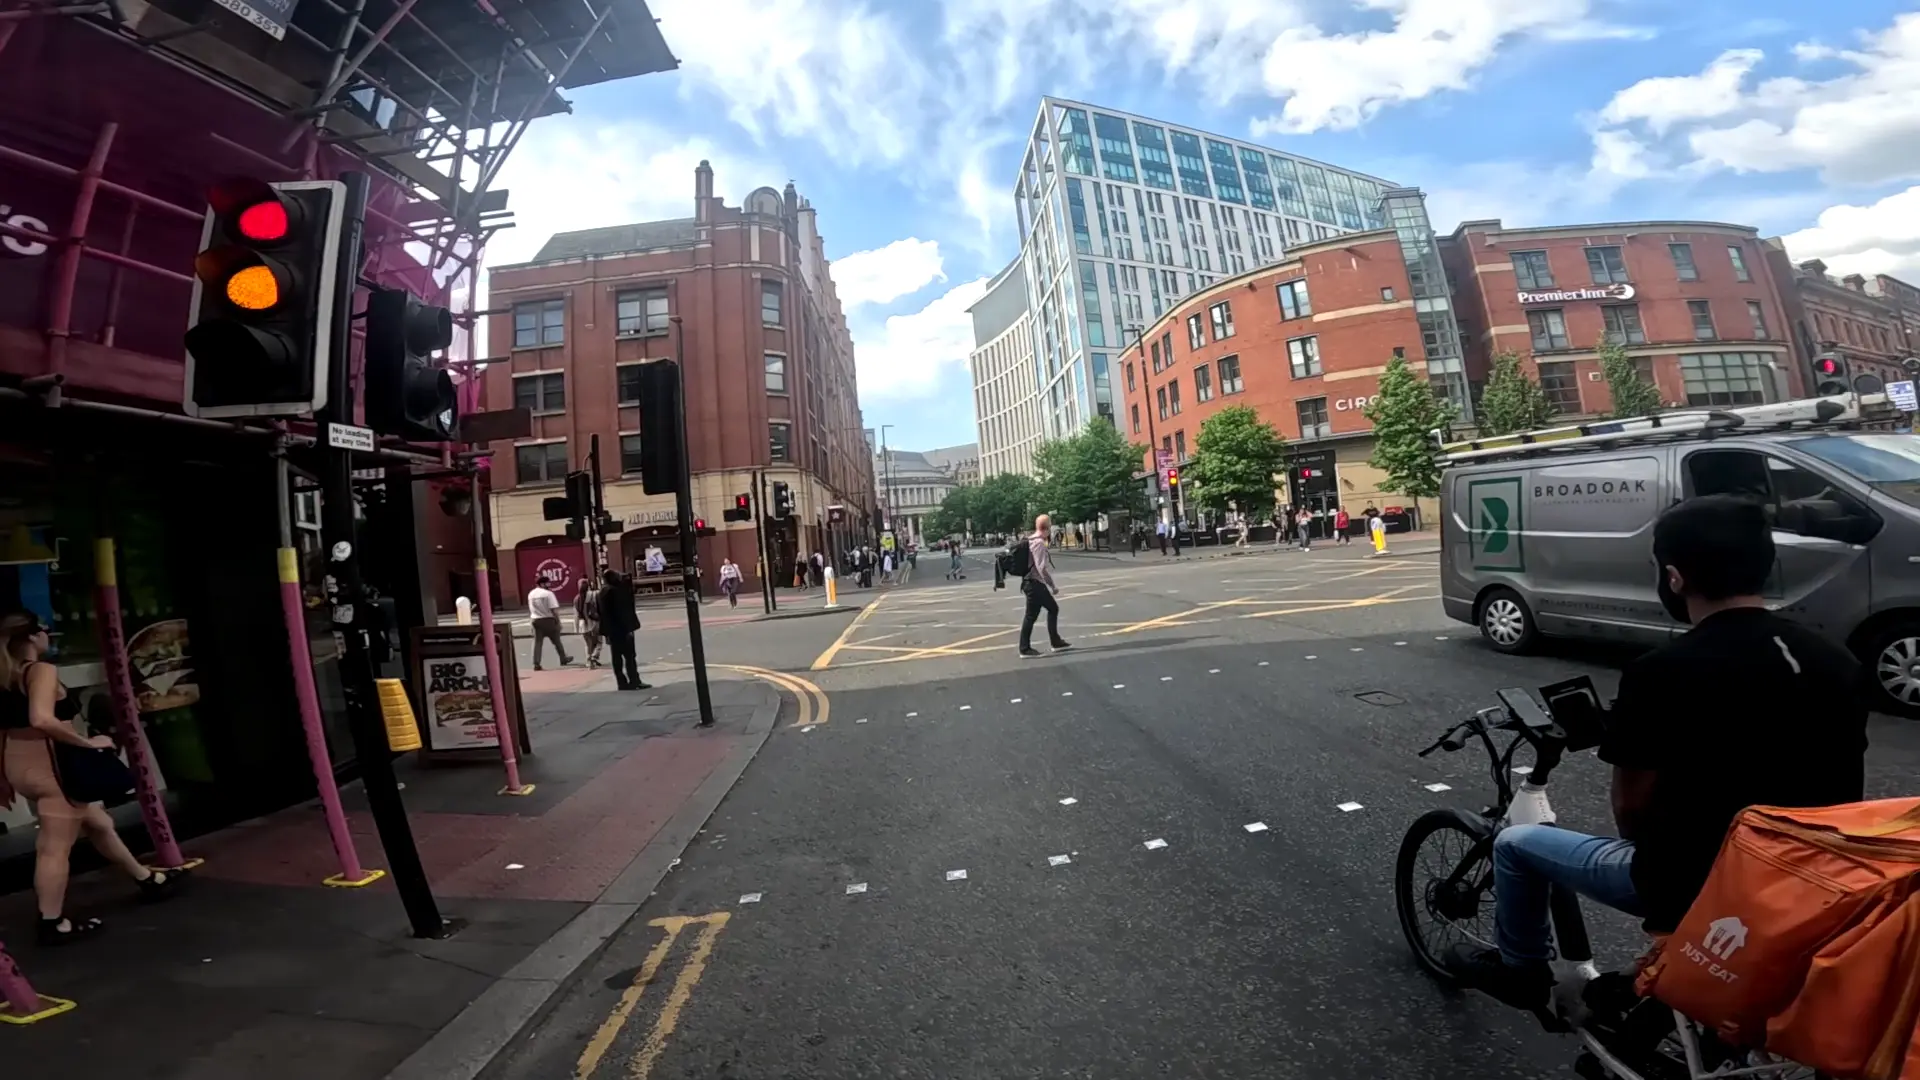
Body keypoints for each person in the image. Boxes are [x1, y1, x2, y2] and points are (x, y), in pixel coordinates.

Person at [1442, 495, 1869, 1011]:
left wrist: (1655, 865)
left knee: (1514, 843)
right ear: (1764, 567)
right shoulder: (1835, 660)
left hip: (1695, 881)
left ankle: (1522, 971)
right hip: (1817, 875)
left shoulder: (1663, 670)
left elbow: (1632, 807)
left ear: (1673, 577)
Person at [1, 613, 180, 944]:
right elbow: (41, 718)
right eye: (43, 632)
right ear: (30, 638)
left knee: (98, 822)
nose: (47, 637)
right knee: (54, 847)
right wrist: (89, 742)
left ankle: (146, 878)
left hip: (21, 766)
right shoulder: (39, 671)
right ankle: (51, 922)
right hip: (54, 770)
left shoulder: (4, 675)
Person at [1016, 513, 1073, 658]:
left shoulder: (1030, 539)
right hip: (1035, 584)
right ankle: (1030, 647)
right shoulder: (1039, 543)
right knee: (1051, 609)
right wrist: (1052, 586)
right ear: (1047, 528)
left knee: (1032, 615)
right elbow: (1041, 568)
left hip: (1029, 583)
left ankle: (1040, 644)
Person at [597, 570, 648, 691]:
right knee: (630, 656)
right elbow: (623, 612)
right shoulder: (616, 591)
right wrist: (629, 629)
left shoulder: (602, 592)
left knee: (616, 657)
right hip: (622, 629)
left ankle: (621, 682)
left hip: (611, 630)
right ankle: (634, 680)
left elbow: (602, 613)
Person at [526, 575, 572, 670]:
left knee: (537, 643)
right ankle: (563, 658)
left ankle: (536, 663)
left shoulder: (531, 594)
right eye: (547, 583)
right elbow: (554, 610)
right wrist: (558, 622)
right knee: (556, 640)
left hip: (535, 619)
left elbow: (531, 608)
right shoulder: (548, 594)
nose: (549, 584)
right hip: (548, 619)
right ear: (542, 584)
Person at [575, 573, 604, 668]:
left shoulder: (576, 598)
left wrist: (576, 627)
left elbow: (576, 614)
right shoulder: (593, 594)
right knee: (598, 641)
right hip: (594, 621)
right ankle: (594, 656)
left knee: (588, 644)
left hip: (583, 623)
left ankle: (589, 661)